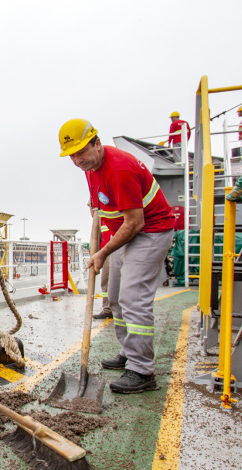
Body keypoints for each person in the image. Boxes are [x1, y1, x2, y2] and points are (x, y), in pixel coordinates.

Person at [59, 118, 175, 394]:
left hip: (150, 231)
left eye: (81, 152)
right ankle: (129, 351)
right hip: (125, 232)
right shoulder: (90, 166)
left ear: (97, 144)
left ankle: (142, 370)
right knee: (115, 297)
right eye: (72, 155)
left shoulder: (120, 168)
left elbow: (135, 222)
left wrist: (102, 252)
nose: (77, 160)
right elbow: (100, 202)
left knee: (133, 298)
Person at [92, 222, 113, 320]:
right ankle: (108, 309)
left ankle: (113, 309)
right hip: (104, 252)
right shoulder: (101, 218)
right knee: (105, 281)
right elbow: (97, 236)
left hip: (116, 249)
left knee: (115, 281)